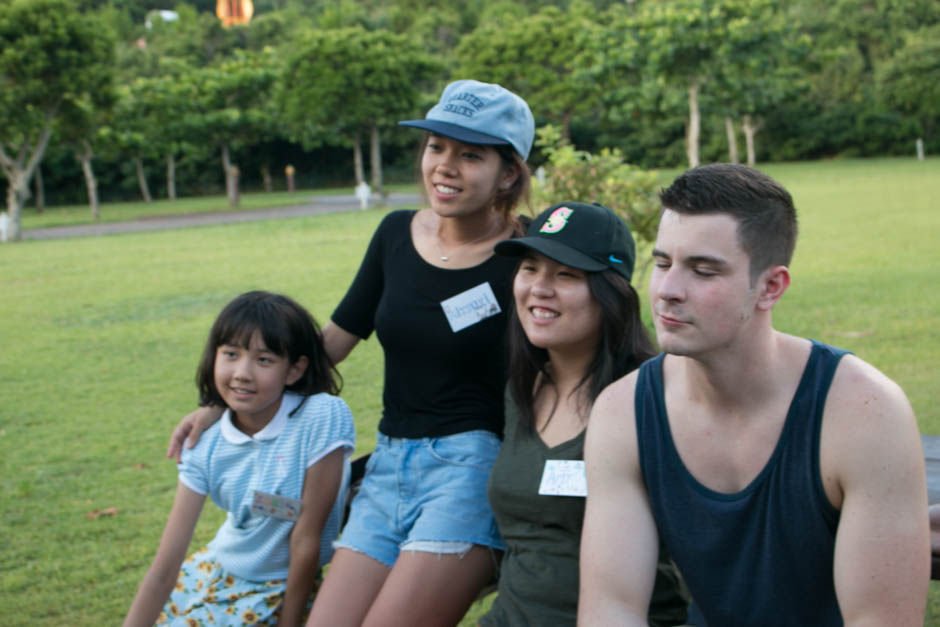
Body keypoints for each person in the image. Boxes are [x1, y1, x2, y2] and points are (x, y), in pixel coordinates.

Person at [167, 79, 536, 626]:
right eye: (436, 147)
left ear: (508, 173)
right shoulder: (394, 234)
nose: (445, 166)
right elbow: (325, 349)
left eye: (470, 155)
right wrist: (226, 406)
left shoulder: (524, 256)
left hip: (470, 468)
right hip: (387, 466)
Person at [578, 163, 930, 626]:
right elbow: (612, 609)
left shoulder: (864, 412)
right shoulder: (624, 413)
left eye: (703, 271)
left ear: (771, 287)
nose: (667, 291)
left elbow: (882, 620)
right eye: (663, 263)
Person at [479, 202, 689, 626]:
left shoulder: (656, 399)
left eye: (566, 274)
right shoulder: (522, 389)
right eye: (529, 268)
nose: (539, 287)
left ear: (612, 294)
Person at [125, 291, 355, 626]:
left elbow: (307, 536)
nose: (242, 373)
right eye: (231, 354)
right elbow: (164, 567)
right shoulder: (204, 446)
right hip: (214, 570)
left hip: (280, 586)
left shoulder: (320, 417)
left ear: (294, 370)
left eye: (263, 360)